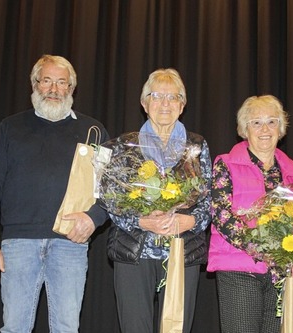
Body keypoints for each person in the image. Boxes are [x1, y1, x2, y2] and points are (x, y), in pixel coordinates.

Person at [0, 54, 109, 332]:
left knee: (66, 328)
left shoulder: (94, 131)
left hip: (70, 244)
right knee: (14, 328)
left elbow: (110, 188)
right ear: (34, 84)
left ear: (72, 89)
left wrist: (94, 218)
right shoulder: (9, 128)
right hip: (18, 244)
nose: (54, 88)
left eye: (62, 82)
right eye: (46, 80)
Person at [105, 68, 212, 333]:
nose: (165, 103)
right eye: (157, 96)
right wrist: (140, 220)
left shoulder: (197, 147)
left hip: (183, 251)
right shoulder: (123, 147)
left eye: (173, 97)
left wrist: (190, 221)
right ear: (144, 103)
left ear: (182, 105)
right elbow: (109, 200)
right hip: (135, 251)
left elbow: (210, 199)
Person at [208, 95, 293, 333]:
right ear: (245, 129)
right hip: (239, 269)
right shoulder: (226, 164)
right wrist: (260, 246)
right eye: (256, 122)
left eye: (272, 122)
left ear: (280, 128)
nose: (265, 129)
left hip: (282, 272)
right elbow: (221, 215)